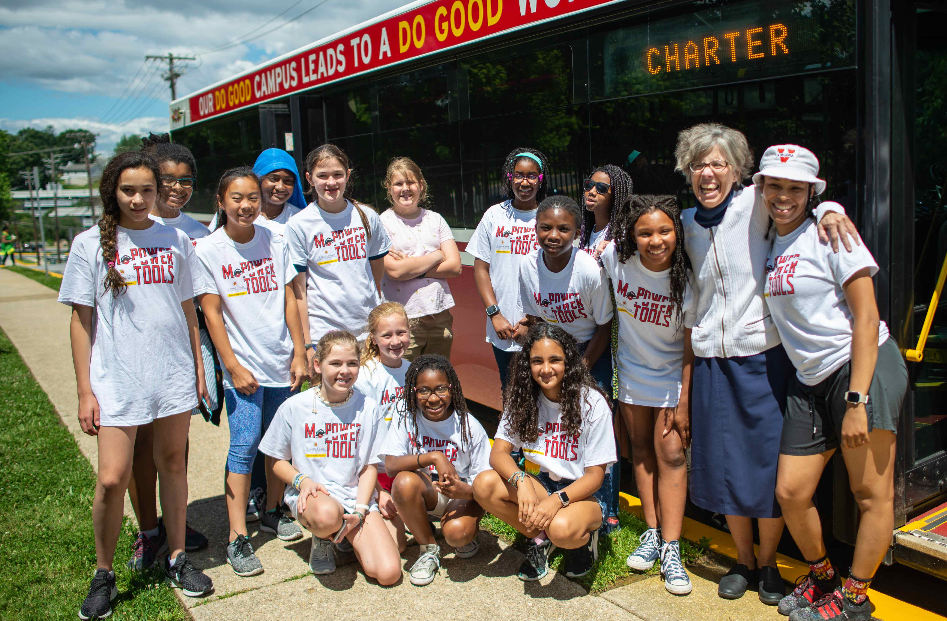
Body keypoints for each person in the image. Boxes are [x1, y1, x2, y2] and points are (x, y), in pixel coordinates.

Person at [675, 123, 857, 604]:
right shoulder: (686, 223)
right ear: (687, 172)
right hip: (713, 358)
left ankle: (772, 564)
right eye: (698, 165)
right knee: (724, 468)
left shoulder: (752, 205)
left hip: (763, 356)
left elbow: (794, 201)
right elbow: (690, 296)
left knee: (764, 468)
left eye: (718, 163)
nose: (708, 173)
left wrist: (832, 208)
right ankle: (743, 561)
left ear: (738, 172)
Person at [753, 145, 907, 621]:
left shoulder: (832, 235)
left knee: (869, 495)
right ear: (760, 189)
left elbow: (867, 317)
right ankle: (824, 577)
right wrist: (828, 205)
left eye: (795, 188)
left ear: (811, 192)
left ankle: (856, 597)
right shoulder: (769, 238)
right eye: (774, 185)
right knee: (792, 493)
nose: (783, 196)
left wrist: (857, 398)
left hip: (861, 368)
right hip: (810, 378)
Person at [59, 151, 214, 619]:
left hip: (171, 374)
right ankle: (103, 572)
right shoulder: (90, 244)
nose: (139, 198)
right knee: (111, 478)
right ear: (113, 191)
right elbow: (81, 321)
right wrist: (86, 390)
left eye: (148, 189)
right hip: (118, 379)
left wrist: (198, 368)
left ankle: (177, 556)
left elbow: (189, 309)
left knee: (173, 464)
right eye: (129, 190)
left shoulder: (176, 239)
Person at [196, 167, 309, 576]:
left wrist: (299, 352)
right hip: (242, 368)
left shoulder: (275, 239)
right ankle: (237, 537)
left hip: (282, 363)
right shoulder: (208, 251)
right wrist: (231, 366)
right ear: (221, 203)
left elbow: (290, 299)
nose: (246, 206)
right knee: (244, 446)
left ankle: (274, 511)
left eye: (252, 198)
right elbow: (211, 313)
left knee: (280, 443)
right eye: (237, 199)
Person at [122, 133, 213, 571]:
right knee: (140, 446)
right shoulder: (124, 228)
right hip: (135, 353)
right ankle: (148, 530)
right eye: (167, 181)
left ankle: (176, 520)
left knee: (176, 446)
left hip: (181, 349)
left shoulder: (195, 231)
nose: (176, 189)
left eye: (186, 181)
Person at [602, 194, 696, 595]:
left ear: (677, 232)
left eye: (664, 231)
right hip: (633, 376)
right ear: (631, 235)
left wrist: (684, 400)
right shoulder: (615, 260)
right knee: (640, 450)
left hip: (672, 378)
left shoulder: (688, 278)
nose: (655, 240)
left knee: (671, 455)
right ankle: (653, 533)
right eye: (645, 232)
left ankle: (672, 548)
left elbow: (691, 347)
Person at [473, 322, 616, 581]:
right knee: (484, 485)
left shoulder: (592, 403)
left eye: (555, 360)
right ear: (527, 364)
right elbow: (499, 454)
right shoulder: (522, 397)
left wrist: (557, 501)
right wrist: (521, 482)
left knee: (561, 529)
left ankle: (583, 541)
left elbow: (595, 477)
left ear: (568, 361)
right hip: (541, 483)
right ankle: (539, 537)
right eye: (537, 361)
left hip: (585, 493)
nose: (546, 369)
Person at [259, 330, 403, 585]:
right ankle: (323, 538)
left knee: (389, 573)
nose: (344, 371)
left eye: (352, 363)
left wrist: (359, 511)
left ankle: (345, 533)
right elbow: (276, 461)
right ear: (318, 364)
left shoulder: (368, 407)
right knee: (327, 515)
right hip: (316, 497)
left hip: (355, 496)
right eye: (335, 363)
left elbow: (369, 467)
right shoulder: (295, 406)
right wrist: (301, 481)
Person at [380, 354, 492, 586]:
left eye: (441, 389)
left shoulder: (468, 425)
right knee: (403, 481)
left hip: (463, 494)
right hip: (427, 491)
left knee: (457, 536)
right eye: (423, 391)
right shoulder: (406, 415)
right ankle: (428, 548)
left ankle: (464, 529)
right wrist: (434, 456)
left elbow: (486, 486)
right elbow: (390, 466)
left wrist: (466, 491)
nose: (433, 399)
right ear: (413, 391)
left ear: (452, 389)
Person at [286, 144, 391, 353]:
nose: (331, 182)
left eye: (338, 175)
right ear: (309, 178)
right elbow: (299, 292)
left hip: (368, 332)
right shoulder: (298, 225)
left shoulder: (368, 217)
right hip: (324, 336)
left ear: (348, 175)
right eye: (322, 176)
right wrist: (307, 345)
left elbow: (376, 273)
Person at [467, 148, 550, 390]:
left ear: (541, 179)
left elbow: (558, 274)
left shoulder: (549, 215)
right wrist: (495, 314)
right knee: (510, 391)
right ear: (509, 177)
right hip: (502, 329)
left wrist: (532, 319)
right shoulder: (494, 215)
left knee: (544, 392)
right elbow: (481, 269)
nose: (525, 182)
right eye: (519, 175)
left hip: (540, 325)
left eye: (532, 176)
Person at [516, 195, 613, 392]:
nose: (553, 235)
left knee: (595, 405)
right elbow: (535, 318)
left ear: (576, 233)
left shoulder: (589, 270)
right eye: (545, 227)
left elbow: (605, 327)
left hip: (590, 348)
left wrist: (579, 369)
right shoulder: (527, 266)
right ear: (535, 229)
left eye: (563, 229)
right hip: (551, 347)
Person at [380, 157, 461, 360]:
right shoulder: (382, 223)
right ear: (389, 188)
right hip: (401, 320)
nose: (405, 189)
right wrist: (437, 255)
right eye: (399, 184)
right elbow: (396, 271)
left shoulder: (435, 219)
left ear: (421, 185)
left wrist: (411, 266)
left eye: (411, 183)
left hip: (439, 315)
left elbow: (455, 266)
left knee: (436, 378)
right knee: (404, 383)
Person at [355, 301, 413, 549]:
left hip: (404, 468)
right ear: (373, 339)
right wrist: (378, 489)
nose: (395, 341)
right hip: (374, 472)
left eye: (401, 333)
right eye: (386, 335)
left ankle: (409, 514)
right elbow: (358, 436)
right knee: (396, 546)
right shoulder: (366, 375)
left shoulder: (412, 371)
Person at [207, 148, 307, 234]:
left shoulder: (300, 218)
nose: (280, 187)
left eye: (288, 181)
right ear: (258, 180)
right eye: (273, 179)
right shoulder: (232, 213)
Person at [579, 164, 633, 262]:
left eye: (601, 188)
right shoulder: (587, 230)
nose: (591, 192)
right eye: (589, 184)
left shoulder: (620, 235)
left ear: (615, 196)